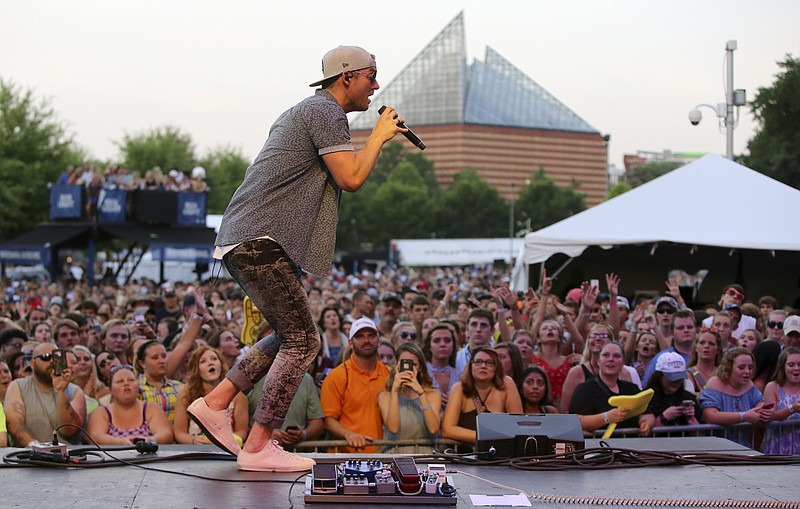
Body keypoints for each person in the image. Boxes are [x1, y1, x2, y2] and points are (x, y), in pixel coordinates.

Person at [187, 45, 403, 473]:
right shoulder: (325, 111)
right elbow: (352, 177)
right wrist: (379, 134)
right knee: (305, 342)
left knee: (292, 335)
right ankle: (259, 443)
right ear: (347, 77)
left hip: (248, 238)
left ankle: (216, 402)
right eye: (371, 76)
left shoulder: (307, 111)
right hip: (257, 238)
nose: (376, 86)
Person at [321, 317, 390, 453]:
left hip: (385, 456)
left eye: (371, 336)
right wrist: (348, 434)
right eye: (360, 337)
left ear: (378, 340)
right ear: (351, 343)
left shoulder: (390, 374)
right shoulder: (336, 376)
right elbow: (328, 419)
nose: (366, 340)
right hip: (347, 457)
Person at [4, 342, 86, 446]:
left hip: (68, 457)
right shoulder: (17, 386)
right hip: (29, 458)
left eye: (56, 356)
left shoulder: (75, 391)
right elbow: (15, 426)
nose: (52, 361)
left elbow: (70, 430)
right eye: (46, 357)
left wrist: (60, 391)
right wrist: (39, 449)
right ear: (32, 363)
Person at [442, 347, 522, 446]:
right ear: (471, 365)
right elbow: (447, 429)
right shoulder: (459, 388)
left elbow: (517, 424)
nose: (483, 366)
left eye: (489, 362)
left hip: (499, 454)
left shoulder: (507, 383)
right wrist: (486, 437)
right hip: (464, 455)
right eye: (478, 362)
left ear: (497, 367)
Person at [174, 347, 249, 446]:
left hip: (227, 448)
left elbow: (242, 431)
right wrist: (193, 440)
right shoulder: (186, 393)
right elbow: (179, 433)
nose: (210, 363)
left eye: (214, 359)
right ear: (196, 369)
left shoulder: (237, 394)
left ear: (221, 364)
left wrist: (228, 441)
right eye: (203, 361)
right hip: (196, 450)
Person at [700, 347, 773, 447]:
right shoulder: (714, 383)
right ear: (729, 367)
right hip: (717, 447)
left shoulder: (749, 384)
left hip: (744, 446)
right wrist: (743, 416)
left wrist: (765, 412)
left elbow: (760, 403)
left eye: (750, 367)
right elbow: (710, 416)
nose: (747, 371)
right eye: (741, 367)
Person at [377, 343, 441, 453]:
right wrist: (395, 390)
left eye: (413, 364)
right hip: (394, 455)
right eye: (403, 364)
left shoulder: (432, 394)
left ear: (420, 367)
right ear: (396, 366)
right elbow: (393, 428)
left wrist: (421, 393)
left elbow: (434, 428)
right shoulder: (385, 395)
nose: (408, 369)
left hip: (424, 456)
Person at [569, 342, 644, 435]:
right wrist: (606, 417)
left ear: (623, 362)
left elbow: (647, 414)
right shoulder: (584, 390)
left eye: (616, 356)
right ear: (598, 362)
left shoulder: (632, 388)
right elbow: (576, 421)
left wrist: (645, 423)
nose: (611, 359)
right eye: (606, 355)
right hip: (598, 446)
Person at [87, 365, 173, 445]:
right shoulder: (101, 412)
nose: (126, 384)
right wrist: (120, 442)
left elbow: (166, 434)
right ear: (110, 389)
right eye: (120, 381)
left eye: (131, 380)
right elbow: (95, 437)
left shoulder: (151, 408)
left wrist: (149, 440)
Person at [639, 352, 700, 432]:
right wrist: (664, 417)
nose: (676, 382)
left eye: (679, 378)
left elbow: (701, 435)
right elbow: (644, 432)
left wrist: (691, 419)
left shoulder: (688, 397)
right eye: (671, 378)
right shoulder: (646, 398)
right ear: (660, 376)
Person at [760, 347, 800, 454]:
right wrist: (792, 409)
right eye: (791, 365)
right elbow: (768, 416)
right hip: (777, 446)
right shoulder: (773, 387)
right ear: (783, 367)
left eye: (799, 364)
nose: (796, 368)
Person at [135, 340, 183, 425]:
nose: (162, 361)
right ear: (142, 363)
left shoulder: (179, 387)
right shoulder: (135, 388)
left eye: (164, 356)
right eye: (155, 357)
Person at [423, 324, 458, 411]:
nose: (443, 344)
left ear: (453, 346)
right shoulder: (421, 372)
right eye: (437, 341)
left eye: (447, 340)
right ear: (429, 346)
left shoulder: (460, 375)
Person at [687, 327, 723, 394]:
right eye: (702, 343)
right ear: (696, 348)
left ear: (718, 349)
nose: (706, 346)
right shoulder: (689, 374)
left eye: (711, 343)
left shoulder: (724, 374)